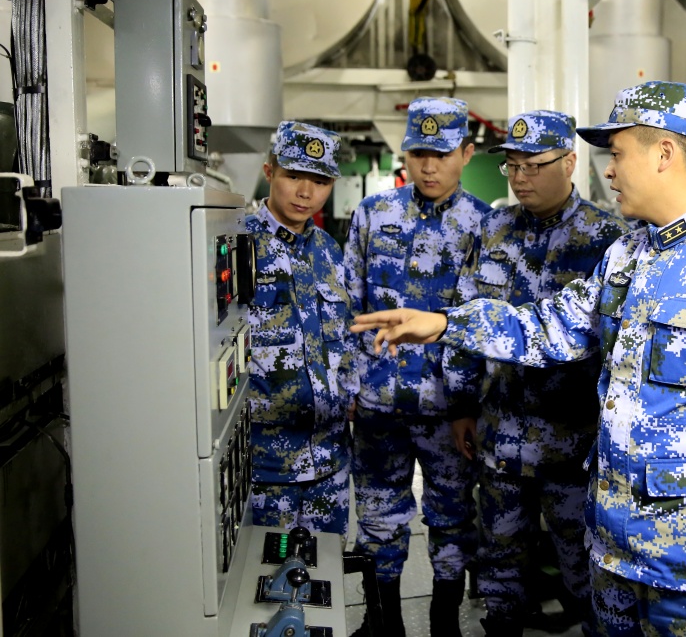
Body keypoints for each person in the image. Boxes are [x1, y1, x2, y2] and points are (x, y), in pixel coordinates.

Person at [351, 81, 686, 637]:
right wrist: (443, 323)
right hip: (613, 549)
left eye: (618, 154)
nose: (609, 170)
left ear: (664, 153)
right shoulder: (628, 255)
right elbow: (550, 327)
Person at [445, 110, 628, 636]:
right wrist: (460, 404)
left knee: (584, 569)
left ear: (569, 162)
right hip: (500, 436)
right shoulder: (493, 229)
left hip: (572, 444)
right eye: (512, 167)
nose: (520, 178)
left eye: (534, 165)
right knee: (500, 565)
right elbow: (466, 315)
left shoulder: (607, 238)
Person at [344, 97, 490, 637]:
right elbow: (348, 304)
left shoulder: (485, 224)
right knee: (378, 517)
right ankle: (383, 622)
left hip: (447, 409)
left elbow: (479, 323)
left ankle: (443, 623)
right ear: (404, 153)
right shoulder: (372, 214)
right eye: (419, 153)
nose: (429, 167)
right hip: (378, 403)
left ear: (466, 153)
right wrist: (350, 383)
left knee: (451, 519)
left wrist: (466, 404)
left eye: (442, 154)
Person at [247, 120, 358, 537]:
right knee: (262, 571)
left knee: (324, 567)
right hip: (267, 464)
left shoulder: (328, 251)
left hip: (330, 460)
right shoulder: (239, 244)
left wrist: (350, 388)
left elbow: (345, 333)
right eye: (294, 176)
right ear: (270, 171)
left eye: (321, 181)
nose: (306, 192)